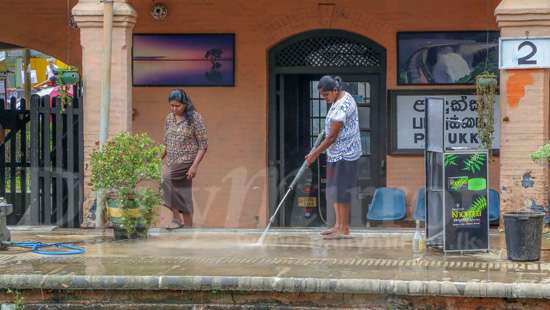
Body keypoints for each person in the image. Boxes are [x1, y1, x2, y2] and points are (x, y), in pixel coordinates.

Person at [305, 76, 362, 240]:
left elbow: (331, 138)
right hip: (335, 154)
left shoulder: (342, 106)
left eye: (326, 95)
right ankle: (337, 225)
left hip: (346, 154)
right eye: (323, 96)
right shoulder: (339, 97)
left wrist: (314, 153)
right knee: (335, 190)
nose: (325, 99)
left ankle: (344, 228)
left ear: (335, 91)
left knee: (342, 191)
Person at [162, 89, 208, 229]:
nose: (174, 109)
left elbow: (203, 145)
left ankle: (176, 219)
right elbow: (165, 141)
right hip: (171, 160)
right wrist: (156, 157)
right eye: (172, 105)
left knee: (165, 177)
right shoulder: (169, 118)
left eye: (177, 106)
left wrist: (194, 166)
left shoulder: (195, 118)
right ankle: (188, 227)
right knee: (183, 192)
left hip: (187, 160)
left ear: (185, 104)